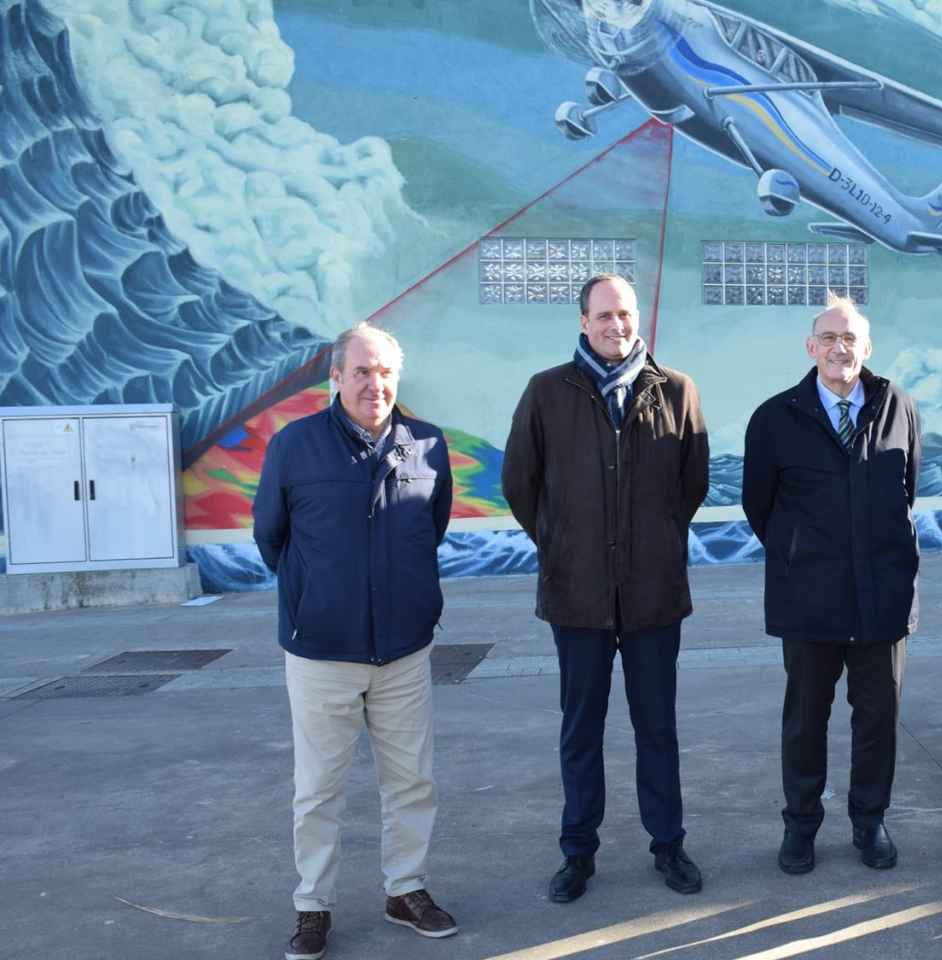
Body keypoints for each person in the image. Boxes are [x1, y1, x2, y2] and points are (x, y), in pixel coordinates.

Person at [501, 273, 711, 904]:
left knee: (657, 727)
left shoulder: (675, 390)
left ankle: (668, 845)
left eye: (624, 314)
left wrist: (658, 541)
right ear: (582, 321)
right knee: (580, 729)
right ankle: (577, 853)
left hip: (652, 596)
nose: (616, 326)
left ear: (636, 317)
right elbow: (520, 484)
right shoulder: (546, 392)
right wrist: (563, 543)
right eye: (603, 316)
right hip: (578, 597)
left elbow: (692, 484)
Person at [254, 323, 458, 960]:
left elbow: (435, 527)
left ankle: (406, 891)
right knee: (317, 789)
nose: (376, 384)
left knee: (411, 782)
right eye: (363, 372)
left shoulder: (426, 444)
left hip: (403, 649)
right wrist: (321, 595)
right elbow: (271, 538)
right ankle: (313, 905)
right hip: (322, 650)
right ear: (336, 378)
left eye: (386, 373)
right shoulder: (294, 446)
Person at [742, 293, 921, 874]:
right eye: (828, 338)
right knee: (804, 721)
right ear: (810, 346)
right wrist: (803, 555)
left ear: (866, 349)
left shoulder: (898, 406)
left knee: (877, 722)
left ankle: (870, 823)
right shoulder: (775, 418)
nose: (839, 348)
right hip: (809, 601)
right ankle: (800, 826)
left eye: (850, 339)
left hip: (882, 600)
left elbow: (906, 493)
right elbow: (759, 507)